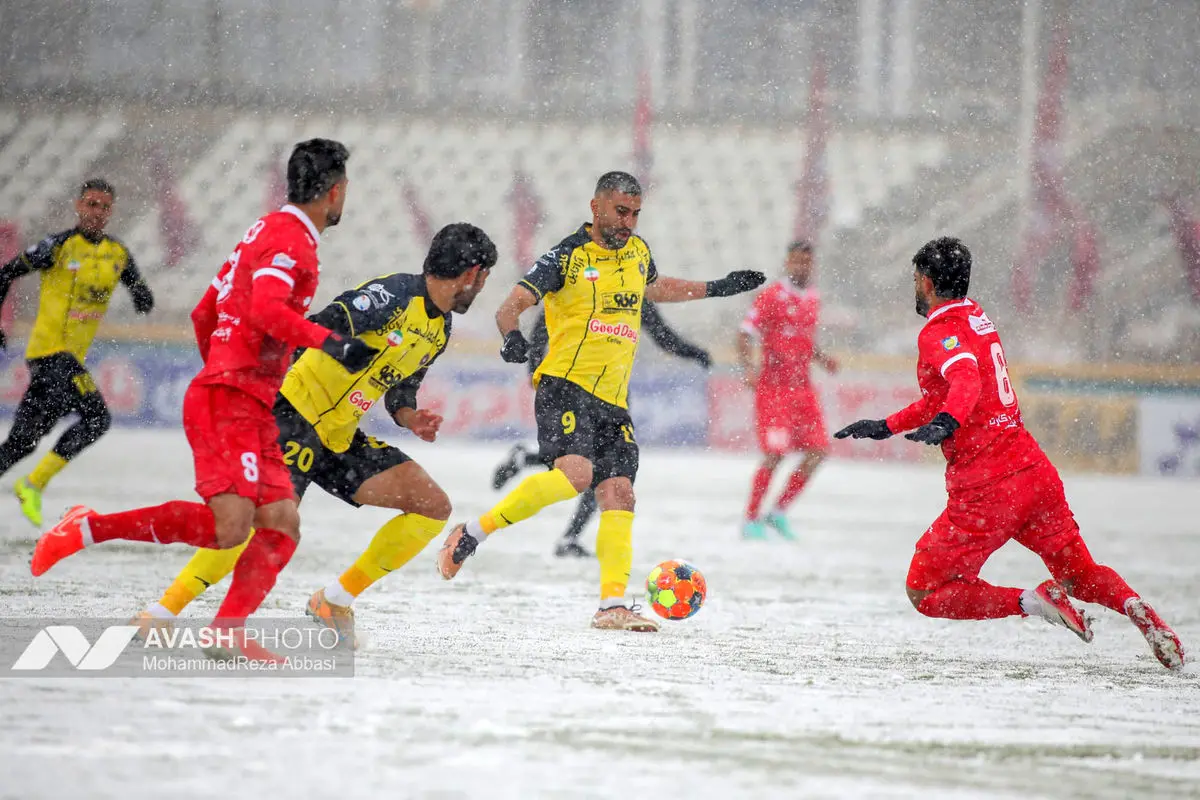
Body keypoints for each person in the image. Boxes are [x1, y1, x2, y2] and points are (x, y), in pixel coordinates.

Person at [31, 139, 379, 662]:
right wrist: (332, 343)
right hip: (232, 398)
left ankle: (226, 630)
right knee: (229, 528)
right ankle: (85, 528)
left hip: (246, 400)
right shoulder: (292, 241)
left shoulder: (264, 229)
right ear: (335, 192)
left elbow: (204, 312)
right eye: (345, 190)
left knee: (282, 522)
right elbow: (264, 311)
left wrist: (225, 370)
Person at [129, 223, 498, 648]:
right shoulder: (393, 296)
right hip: (290, 414)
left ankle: (334, 602)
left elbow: (402, 387)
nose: (482, 287)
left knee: (432, 507)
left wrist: (409, 415)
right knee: (257, 524)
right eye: (484, 278)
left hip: (338, 436)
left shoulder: (440, 328)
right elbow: (321, 323)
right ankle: (162, 613)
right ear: (471, 274)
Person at [835, 237, 1184, 671]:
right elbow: (947, 393)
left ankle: (1033, 602)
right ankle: (1138, 609)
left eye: (914, 279)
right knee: (1078, 572)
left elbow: (964, 380)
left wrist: (949, 422)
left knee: (925, 590)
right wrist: (886, 425)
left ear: (925, 282)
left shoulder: (937, 333)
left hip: (987, 487)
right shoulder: (977, 317)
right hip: (1032, 471)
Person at [436, 171, 765, 632]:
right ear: (595, 207)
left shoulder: (638, 252)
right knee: (576, 476)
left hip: (614, 400)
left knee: (620, 494)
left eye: (635, 214)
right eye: (620, 211)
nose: (628, 222)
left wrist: (716, 286)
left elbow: (656, 287)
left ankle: (612, 605)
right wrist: (512, 338)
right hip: (565, 385)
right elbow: (508, 307)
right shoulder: (564, 258)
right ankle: (472, 532)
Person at [492, 300, 711, 558]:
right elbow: (546, 321)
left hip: (611, 395)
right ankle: (567, 536)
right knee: (587, 466)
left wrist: (695, 353)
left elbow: (663, 336)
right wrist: (534, 365)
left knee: (600, 467)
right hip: (574, 390)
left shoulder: (633, 292)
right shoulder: (588, 283)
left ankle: (529, 463)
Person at [0, 179, 155, 527]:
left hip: (69, 363)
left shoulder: (117, 254)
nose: (96, 213)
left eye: (103, 207)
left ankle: (29, 480)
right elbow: (6, 273)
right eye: (90, 204)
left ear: (111, 211)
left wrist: (143, 297)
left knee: (21, 444)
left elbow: (139, 290)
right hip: (49, 353)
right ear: (78, 206)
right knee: (98, 418)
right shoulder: (58, 247)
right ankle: (33, 484)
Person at [737, 240, 838, 540]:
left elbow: (804, 339)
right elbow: (745, 334)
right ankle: (750, 520)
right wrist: (749, 368)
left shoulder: (812, 299)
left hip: (803, 390)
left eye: (805, 262)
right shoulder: (771, 297)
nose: (800, 267)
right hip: (774, 390)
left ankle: (777, 512)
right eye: (795, 261)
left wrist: (822, 359)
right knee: (775, 454)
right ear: (787, 263)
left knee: (818, 452)